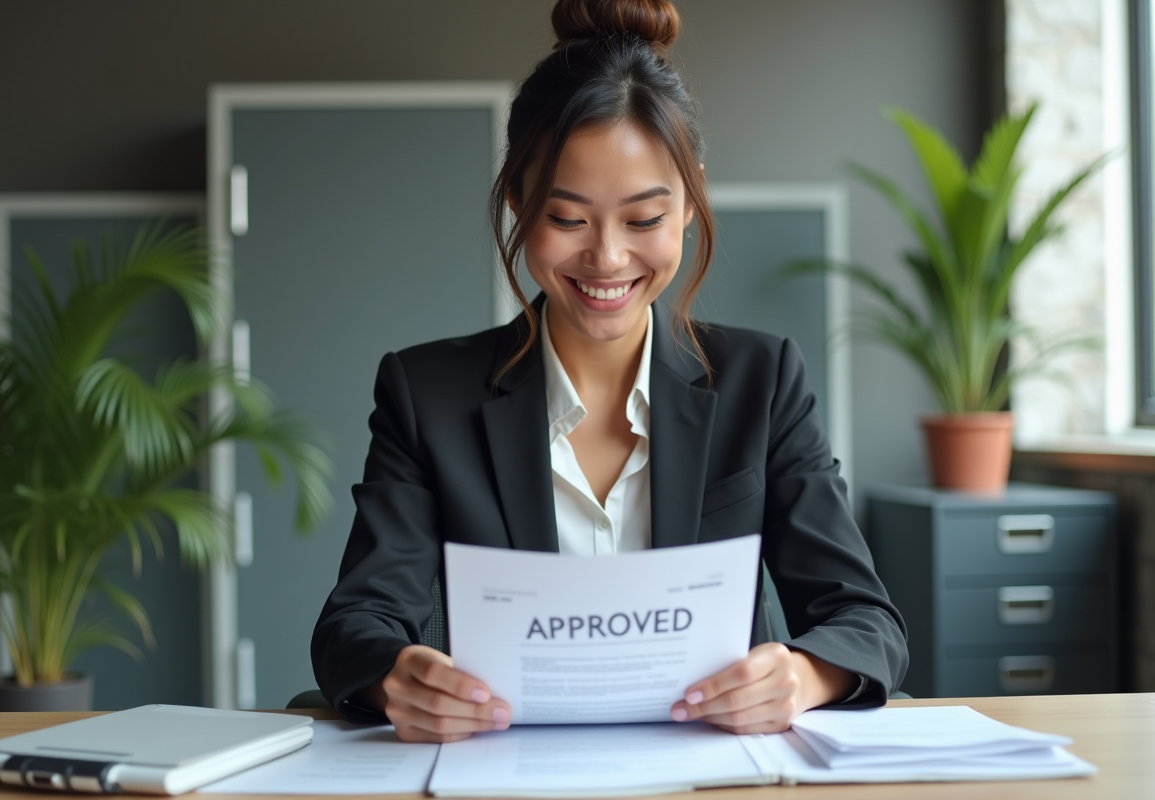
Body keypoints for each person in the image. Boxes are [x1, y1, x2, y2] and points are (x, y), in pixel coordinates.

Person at [312, 0, 907, 744]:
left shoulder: (763, 381)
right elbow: (353, 624)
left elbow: (865, 620)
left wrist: (802, 676)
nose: (608, 258)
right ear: (519, 206)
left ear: (689, 205)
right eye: (567, 219)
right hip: (506, 778)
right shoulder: (425, 393)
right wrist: (397, 679)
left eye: (644, 219)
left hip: (710, 778)